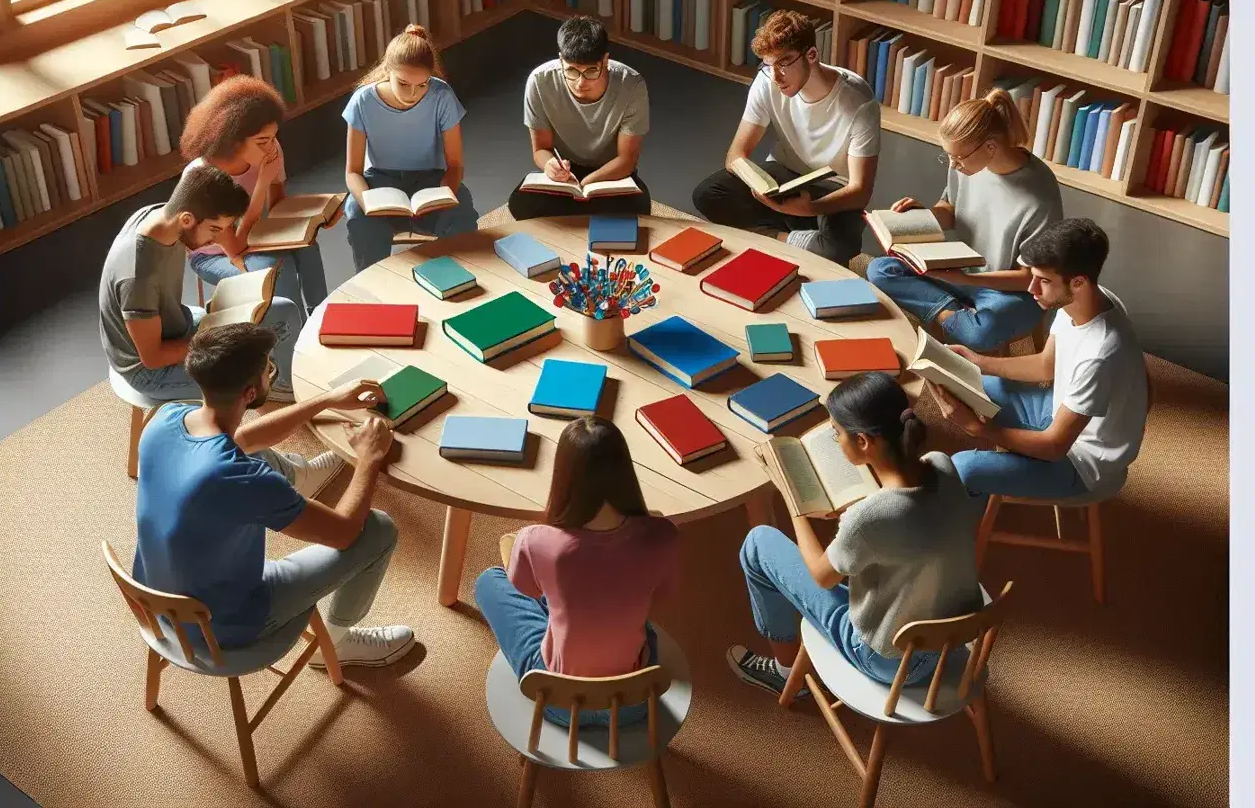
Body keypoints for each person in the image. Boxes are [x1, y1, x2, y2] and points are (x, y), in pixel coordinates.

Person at [133, 322, 416, 666]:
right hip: (222, 623)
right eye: (268, 367)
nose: (271, 371)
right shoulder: (238, 476)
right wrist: (368, 458)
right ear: (251, 393)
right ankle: (339, 644)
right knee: (378, 529)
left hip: (159, 592)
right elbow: (343, 532)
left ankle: (300, 482)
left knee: (257, 455)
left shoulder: (167, 416)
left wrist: (325, 400)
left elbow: (244, 440)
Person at [728, 372, 983, 697]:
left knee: (757, 543)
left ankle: (784, 668)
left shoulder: (869, 518)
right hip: (950, 637)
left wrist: (794, 501)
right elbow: (906, 511)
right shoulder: (942, 464)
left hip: (888, 659)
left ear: (863, 442)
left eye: (836, 433)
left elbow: (822, 576)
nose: (835, 440)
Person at [473, 416, 679, 727]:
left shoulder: (537, 540)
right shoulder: (664, 535)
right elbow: (664, 597)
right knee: (636, 618)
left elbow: (525, 588)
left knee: (489, 581)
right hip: (634, 700)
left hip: (561, 701)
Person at [928, 218, 1149, 505]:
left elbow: (1056, 446)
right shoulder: (1085, 299)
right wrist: (978, 362)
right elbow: (1046, 365)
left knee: (961, 469)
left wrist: (978, 429)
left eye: (1043, 281)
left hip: (1081, 463)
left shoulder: (1101, 353)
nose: (1031, 289)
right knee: (967, 380)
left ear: (1079, 282)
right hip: (1057, 410)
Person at [866, 88, 1063, 352]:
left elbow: (1027, 278)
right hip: (962, 269)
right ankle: (954, 314)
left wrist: (966, 280)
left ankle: (947, 315)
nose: (953, 164)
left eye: (958, 157)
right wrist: (924, 216)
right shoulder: (966, 165)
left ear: (990, 146)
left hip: (1009, 291)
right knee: (880, 270)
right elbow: (951, 208)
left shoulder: (1039, 198)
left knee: (982, 333)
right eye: (948, 156)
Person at [98, 161, 304, 403]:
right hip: (151, 372)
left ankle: (282, 383)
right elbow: (153, 357)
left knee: (284, 309)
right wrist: (223, 341)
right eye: (214, 229)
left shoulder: (158, 214)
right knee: (249, 377)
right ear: (187, 219)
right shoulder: (138, 276)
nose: (216, 239)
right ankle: (270, 392)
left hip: (179, 326)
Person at [691, 9, 881, 267]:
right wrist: (759, 184)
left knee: (839, 248)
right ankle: (786, 237)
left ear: (811, 55)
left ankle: (778, 231)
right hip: (784, 175)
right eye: (769, 66)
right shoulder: (767, 80)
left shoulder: (859, 102)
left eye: (783, 64)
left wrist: (811, 208)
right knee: (707, 194)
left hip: (835, 188)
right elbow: (735, 155)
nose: (776, 77)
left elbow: (860, 191)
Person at [179, 75, 329, 317]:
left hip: (257, 235)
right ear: (233, 139)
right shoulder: (202, 176)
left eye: (273, 138)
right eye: (262, 141)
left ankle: (321, 315)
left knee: (308, 244)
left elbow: (278, 206)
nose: (271, 147)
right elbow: (236, 247)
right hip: (216, 255)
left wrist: (317, 216)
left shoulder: (269, 149)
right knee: (278, 269)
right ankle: (294, 330)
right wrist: (262, 183)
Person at [340, 24, 480, 272]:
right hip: (381, 183)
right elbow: (352, 172)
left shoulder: (442, 96)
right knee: (354, 210)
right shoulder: (362, 100)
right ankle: (374, 283)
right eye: (404, 84)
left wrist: (442, 195)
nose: (414, 93)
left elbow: (456, 165)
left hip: (431, 182)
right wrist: (368, 201)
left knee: (463, 208)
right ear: (388, 71)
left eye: (423, 85)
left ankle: (458, 277)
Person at [507, 16, 653, 220]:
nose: (580, 82)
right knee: (520, 204)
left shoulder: (632, 85)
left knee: (638, 210)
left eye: (591, 71)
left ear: (605, 60)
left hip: (612, 173)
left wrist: (586, 184)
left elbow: (626, 160)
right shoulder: (539, 81)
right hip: (567, 170)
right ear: (561, 60)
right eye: (572, 71)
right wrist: (551, 166)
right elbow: (541, 149)